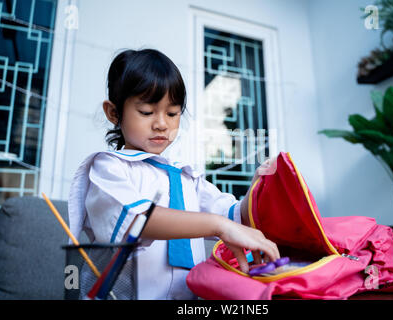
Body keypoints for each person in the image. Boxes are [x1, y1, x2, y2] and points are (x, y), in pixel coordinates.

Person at [68, 48, 279, 300]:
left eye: (172, 113)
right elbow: (136, 221)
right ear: (114, 113)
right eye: (147, 112)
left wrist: (258, 187)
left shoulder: (185, 177)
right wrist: (219, 226)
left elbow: (232, 215)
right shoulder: (108, 168)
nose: (162, 124)